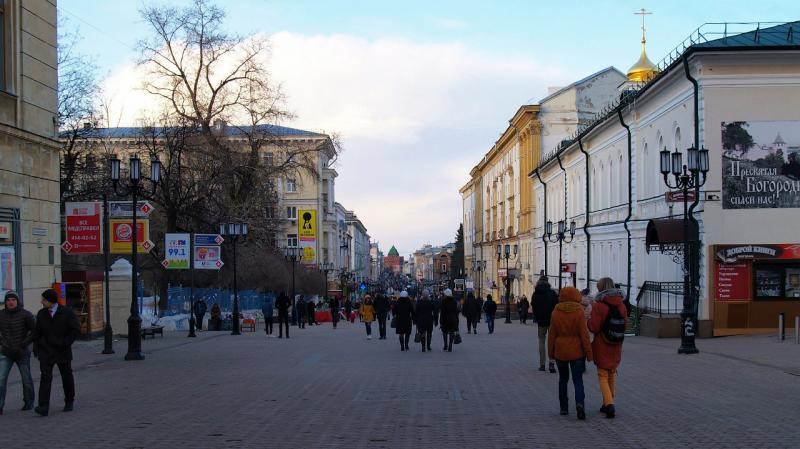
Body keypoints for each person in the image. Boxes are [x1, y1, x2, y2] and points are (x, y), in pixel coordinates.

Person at [32, 289, 80, 416]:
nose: (42, 302)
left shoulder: (66, 313)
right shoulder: (42, 314)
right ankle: (43, 406)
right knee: (45, 378)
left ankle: (69, 400)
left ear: (51, 301)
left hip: (62, 350)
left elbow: (75, 330)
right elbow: (37, 332)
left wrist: (66, 343)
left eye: (44, 300)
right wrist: (36, 347)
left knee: (66, 376)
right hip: (46, 351)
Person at [548, 286, 593, 420]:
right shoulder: (579, 311)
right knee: (578, 380)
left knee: (563, 379)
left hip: (561, 351)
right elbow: (584, 334)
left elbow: (552, 335)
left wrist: (551, 353)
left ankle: (563, 407)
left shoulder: (556, 311)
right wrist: (589, 353)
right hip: (577, 351)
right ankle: (580, 404)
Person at [588, 278, 628, 419]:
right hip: (616, 342)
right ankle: (607, 402)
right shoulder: (621, 305)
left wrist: (588, 322)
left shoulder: (599, 306)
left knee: (602, 374)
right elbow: (625, 324)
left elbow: (594, 327)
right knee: (611, 372)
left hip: (602, 343)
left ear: (601, 289)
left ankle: (609, 404)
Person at [0, 291, 35, 415]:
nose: (10, 302)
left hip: (22, 352)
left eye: (13, 300)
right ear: (5, 302)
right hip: (6, 352)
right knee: (1, 379)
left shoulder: (26, 315)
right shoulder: (1, 314)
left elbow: (34, 332)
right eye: (8, 300)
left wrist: (24, 344)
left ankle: (29, 402)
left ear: (17, 301)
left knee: (26, 379)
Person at [532, 276, 558, 373]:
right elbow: (557, 306)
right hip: (552, 321)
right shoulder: (552, 293)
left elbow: (533, 306)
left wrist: (537, 317)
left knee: (541, 342)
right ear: (547, 282)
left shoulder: (535, 293)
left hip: (541, 321)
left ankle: (542, 364)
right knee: (552, 342)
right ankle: (552, 363)